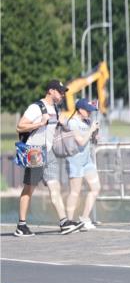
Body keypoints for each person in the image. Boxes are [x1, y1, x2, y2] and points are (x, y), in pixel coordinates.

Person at [14, 80, 83, 236]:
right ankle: (21, 225)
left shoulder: (56, 109)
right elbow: (20, 126)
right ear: (51, 91)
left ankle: (64, 222)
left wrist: (63, 123)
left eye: (63, 92)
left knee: (55, 187)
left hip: (49, 152)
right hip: (34, 151)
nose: (63, 94)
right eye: (60, 91)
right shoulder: (36, 108)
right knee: (29, 188)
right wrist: (40, 123)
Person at [64, 98, 102, 230]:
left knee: (96, 188)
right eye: (88, 110)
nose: (90, 113)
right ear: (80, 110)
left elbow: (91, 141)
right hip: (75, 161)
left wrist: (95, 135)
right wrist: (91, 130)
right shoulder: (72, 123)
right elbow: (80, 141)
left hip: (87, 160)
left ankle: (84, 218)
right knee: (75, 192)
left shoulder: (87, 122)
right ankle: (68, 222)